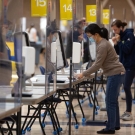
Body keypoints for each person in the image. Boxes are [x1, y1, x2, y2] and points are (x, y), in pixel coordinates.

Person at [76, 24, 125, 134]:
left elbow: (98, 65)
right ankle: (115, 124)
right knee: (113, 101)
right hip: (117, 73)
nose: (89, 39)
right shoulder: (102, 43)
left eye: (90, 36)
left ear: (96, 34)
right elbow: (99, 63)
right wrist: (88, 72)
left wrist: (83, 74)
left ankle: (110, 128)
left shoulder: (102, 45)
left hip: (115, 74)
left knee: (109, 102)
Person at [111, 20, 135, 121]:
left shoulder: (129, 35)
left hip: (131, 65)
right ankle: (127, 111)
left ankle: (129, 112)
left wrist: (120, 41)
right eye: (113, 30)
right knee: (125, 87)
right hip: (123, 65)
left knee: (126, 86)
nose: (115, 32)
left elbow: (127, 49)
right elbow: (119, 51)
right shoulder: (121, 37)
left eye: (116, 29)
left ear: (121, 27)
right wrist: (116, 43)